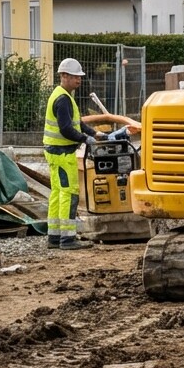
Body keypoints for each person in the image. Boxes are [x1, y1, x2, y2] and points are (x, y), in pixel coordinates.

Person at [44, 58, 104, 250]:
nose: (79, 80)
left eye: (80, 77)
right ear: (64, 76)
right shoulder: (63, 99)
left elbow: (77, 124)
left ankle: (54, 237)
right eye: (75, 77)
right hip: (63, 154)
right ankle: (68, 239)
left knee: (57, 193)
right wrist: (86, 139)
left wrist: (94, 133)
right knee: (69, 194)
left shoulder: (62, 95)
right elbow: (66, 130)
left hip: (54, 152)